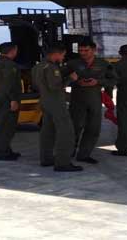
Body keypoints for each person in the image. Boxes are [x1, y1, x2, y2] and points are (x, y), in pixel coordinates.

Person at [64, 40, 116, 164]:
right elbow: (61, 79)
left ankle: (84, 154)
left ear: (93, 50)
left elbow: (114, 79)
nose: (83, 53)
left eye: (86, 50)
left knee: (93, 128)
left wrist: (98, 82)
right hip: (77, 100)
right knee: (75, 127)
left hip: (95, 100)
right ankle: (68, 152)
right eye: (80, 50)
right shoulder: (72, 64)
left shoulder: (103, 64)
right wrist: (75, 82)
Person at [33, 44, 82, 172]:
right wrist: (70, 79)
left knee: (48, 131)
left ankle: (46, 158)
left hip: (45, 100)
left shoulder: (38, 66)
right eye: (62, 55)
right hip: (55, 102)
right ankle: (63, 162)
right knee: (66, 131)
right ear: (56, 54)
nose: (63, 58)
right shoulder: (51, 68)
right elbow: (55, 86)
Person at [0, 42, 22, 161]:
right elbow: (10, 84)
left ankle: (6, 149)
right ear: (12, 51)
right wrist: (13, 99)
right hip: (7, 100)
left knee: (3, 124)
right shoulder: (10, 65)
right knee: (6, 126)